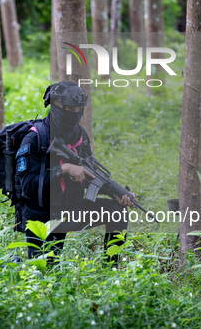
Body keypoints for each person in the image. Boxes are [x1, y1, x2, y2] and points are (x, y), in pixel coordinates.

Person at [15, 81, 135, 264]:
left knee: (116, 211)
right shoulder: (36, 137)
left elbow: (88, 177)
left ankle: (112, 269)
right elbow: (27, 186)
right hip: (42, 215)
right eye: (69, 109)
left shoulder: (80, 136)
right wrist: (62, 170)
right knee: (44, 271)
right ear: (54, 106)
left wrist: (115, 193)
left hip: (71, 208)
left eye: (78, 109)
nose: (74, 114)